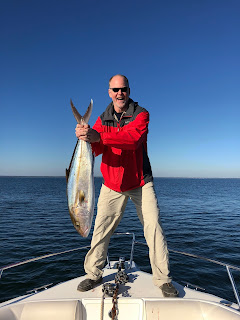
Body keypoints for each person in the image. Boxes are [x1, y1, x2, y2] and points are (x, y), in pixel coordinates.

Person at [75, 74, 178, 297]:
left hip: (141, 182)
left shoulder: (141, 114)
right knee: (100, 230)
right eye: (115, 90)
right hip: (111, 184)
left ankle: (163, 279)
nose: (120, 93)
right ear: (109, 92)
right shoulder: (102, 119)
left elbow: (132, 139)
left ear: (129, 91)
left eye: (123, 89)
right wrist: (85, 138)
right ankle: (93, 274)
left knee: (154, 228)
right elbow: (98, 148)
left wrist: (98, 136)